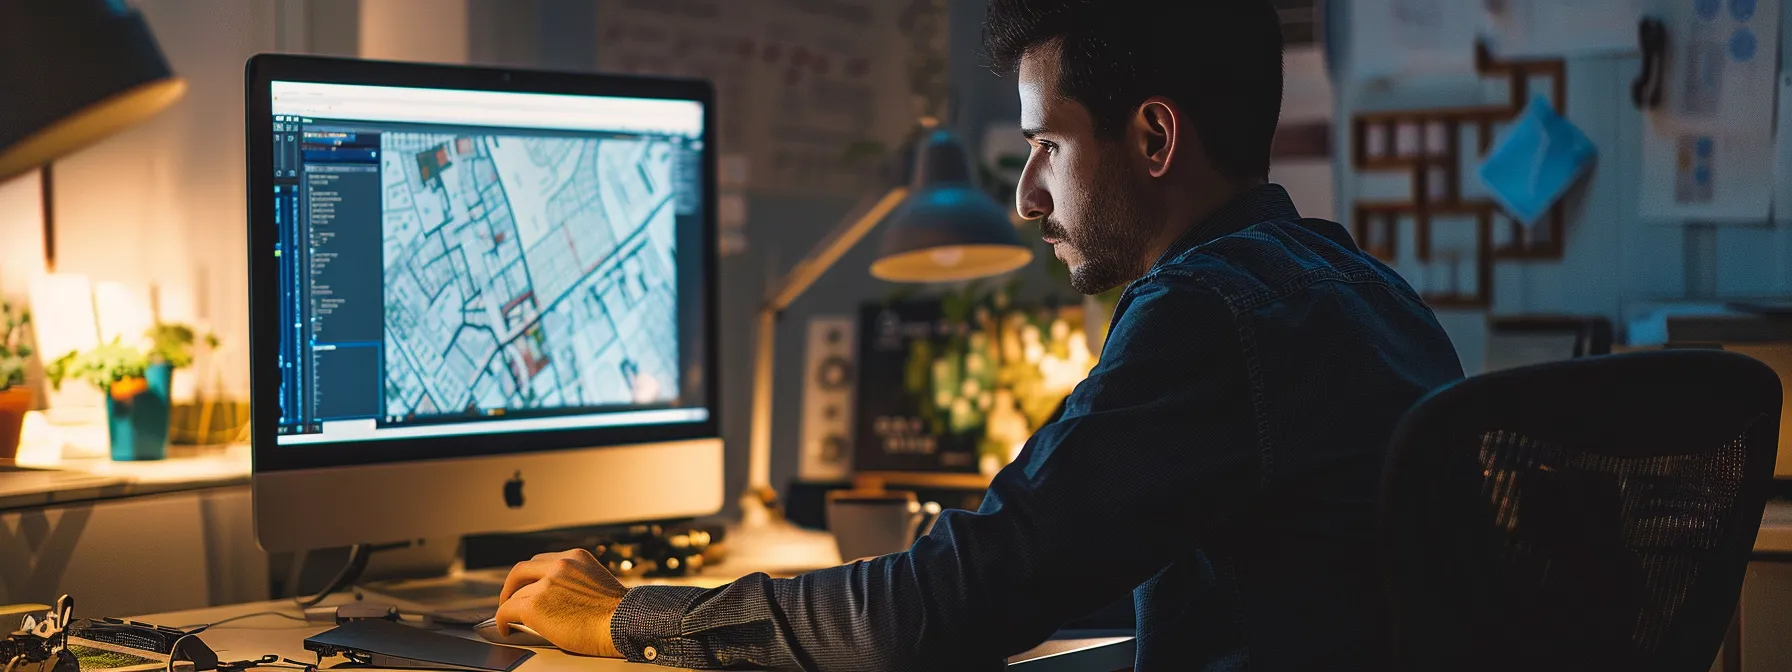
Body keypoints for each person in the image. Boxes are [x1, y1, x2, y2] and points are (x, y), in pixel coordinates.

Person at [493, 1, 1465, 669]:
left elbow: (931, 618)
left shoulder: (1209, 313)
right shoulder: (1359, 287)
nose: (1025, 194)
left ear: (1154, 139)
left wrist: (627, 615)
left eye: (1047, 145)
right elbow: (1066, 560)